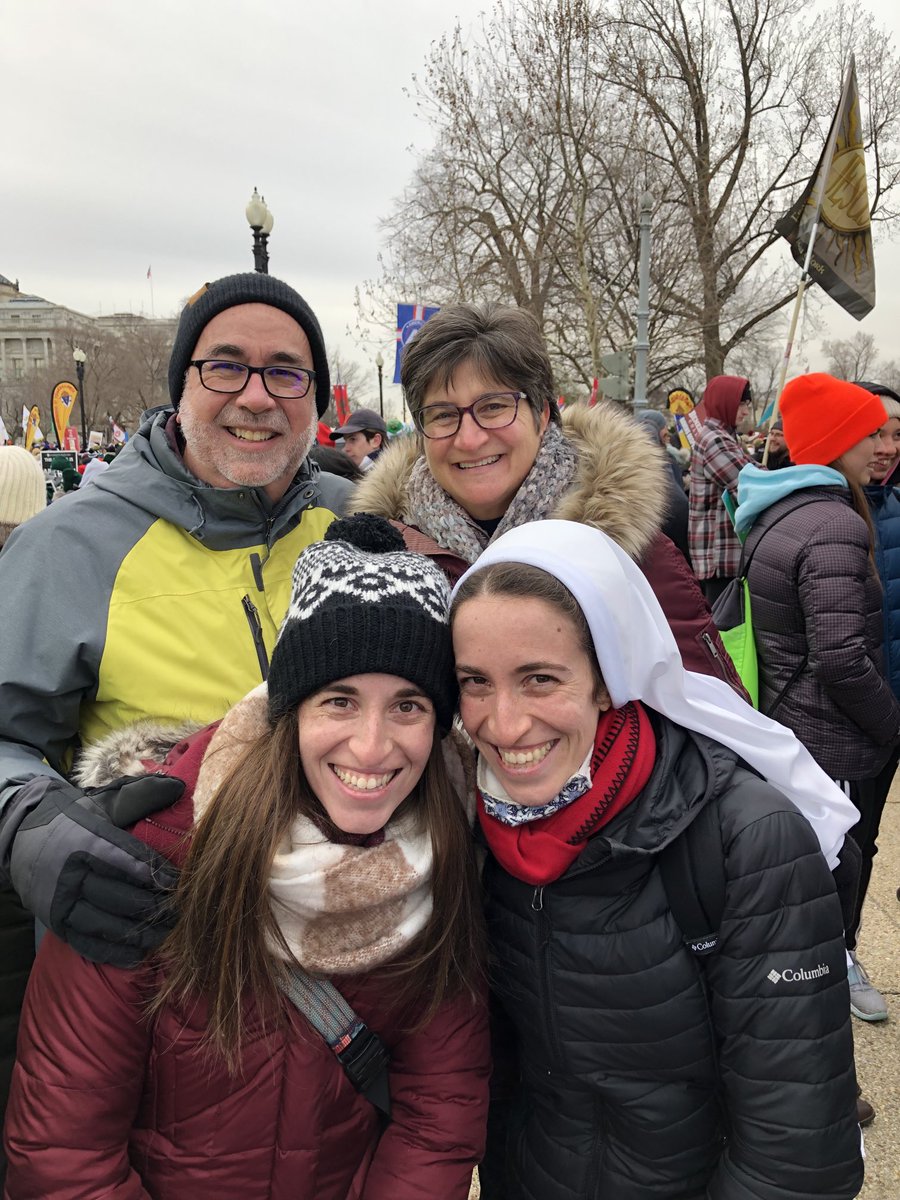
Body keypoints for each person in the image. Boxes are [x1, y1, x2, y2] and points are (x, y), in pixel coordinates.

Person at [4, 515, 489, 1199]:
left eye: (407, 706)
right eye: (340, 701)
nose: (373, 747)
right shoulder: (152, 856)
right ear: (288, 711)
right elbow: (64, 1151)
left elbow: (439, 1111)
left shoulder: (438, 854)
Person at [0, 273, 354, 1177]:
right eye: (225, 366)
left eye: (287, 373)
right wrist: (35, 831)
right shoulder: (73, 542)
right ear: (181, 383)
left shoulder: (358, 525)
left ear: (316, 394)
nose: (256, 397)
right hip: (152, 982)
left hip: (346, 987)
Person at [449, 518, 863, 1200]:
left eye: (540, 678)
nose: (503, 723)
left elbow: (795, 1160)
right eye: (475, 682)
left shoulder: (746, 840)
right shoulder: (474, 824)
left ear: (610, 678)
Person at [349, 302, 743, 690]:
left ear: (541, 415)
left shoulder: (632, 550)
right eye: (443, 415)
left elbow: (714, 725)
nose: (469, 439)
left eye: (494, 406)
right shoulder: (377, 559)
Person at [735, 373, 900, 1028]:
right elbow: (840, 658)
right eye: (870, 432)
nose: (882, 446)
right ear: (840, 442)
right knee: (830, 879)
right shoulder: (834, 522)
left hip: (788, 721)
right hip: (826, 734)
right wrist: (891, 725)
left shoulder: (781, 508)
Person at [688, 375, 755, 603]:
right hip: (720, 558)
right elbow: (750, 487)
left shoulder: (724, 437)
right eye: (742, 404)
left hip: (722, 557)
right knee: (729, 634)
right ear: (725, 402)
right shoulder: (715, 440)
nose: (745, 412)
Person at [635, 408, 690, 564]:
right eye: (665, 435)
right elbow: (677, 505)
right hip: (664, 548)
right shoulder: (658, 462)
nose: (667, 441)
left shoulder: (624, 460)